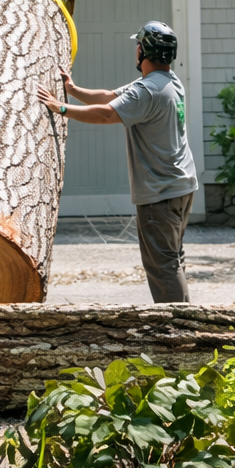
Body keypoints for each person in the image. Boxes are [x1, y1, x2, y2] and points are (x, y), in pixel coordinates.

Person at [37, 21, 198, 303]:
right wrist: (73, 89)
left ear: (144, 51)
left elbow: (106, 114)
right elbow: (111, 97)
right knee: (173, 259)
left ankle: (178, 330)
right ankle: (182, 321)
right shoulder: (168, 82)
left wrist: (61, 108)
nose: (135, 49)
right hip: (181, 187)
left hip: (160, 194)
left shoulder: (147, 91)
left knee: (163, 267)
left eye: (138, 44)